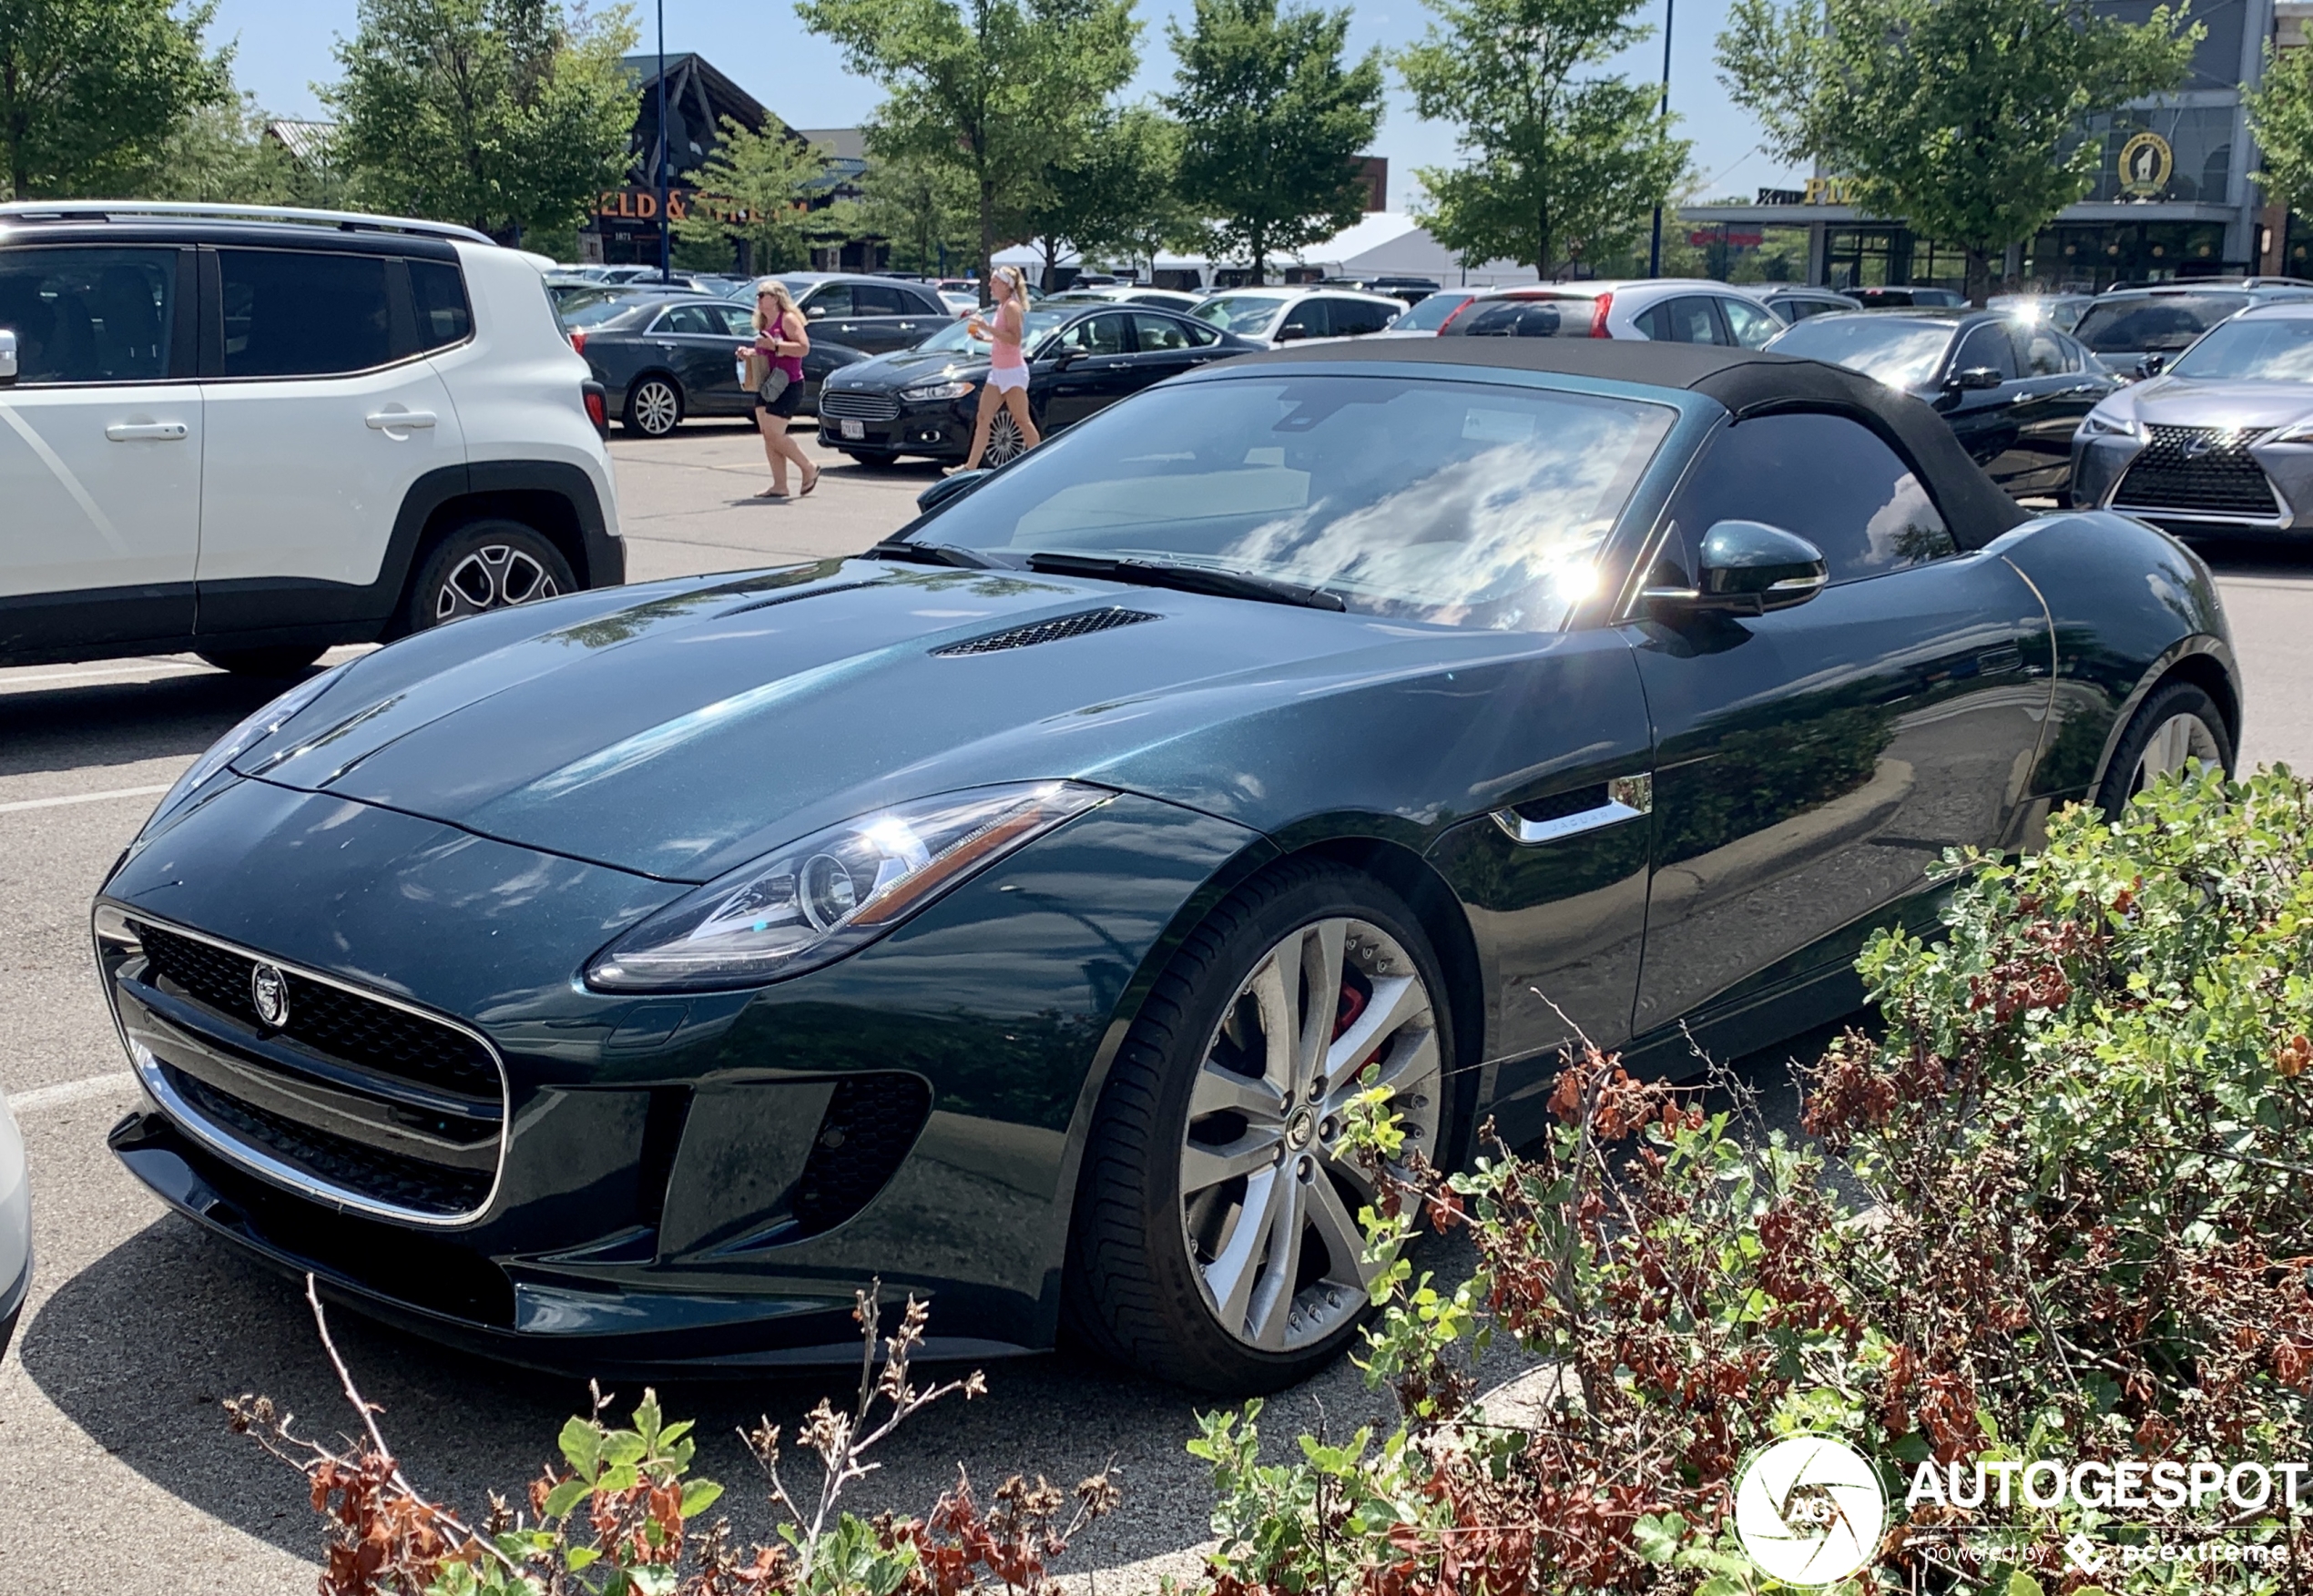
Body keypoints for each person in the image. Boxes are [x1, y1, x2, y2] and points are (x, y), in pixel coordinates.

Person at [960, 265, 1041, 470]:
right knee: (983, 416)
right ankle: (970, 466)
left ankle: (1040, 462)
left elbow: (1015, 340)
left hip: (1013, 372)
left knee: (1021, 419)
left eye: (995, 282)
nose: (990, 286)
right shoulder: (1002, 307)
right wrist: (984, 337)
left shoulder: (1012, 307)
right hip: (998, 372)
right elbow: (1001, 340)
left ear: (1006, 285)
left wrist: (988, 328)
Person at [746, 280, 819, 498]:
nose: (758, 299)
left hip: (788, 384)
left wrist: (776, 346)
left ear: (775, 298)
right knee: (768, 435)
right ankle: (780, 485)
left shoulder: (788, 319)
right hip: (767, 383)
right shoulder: (763, 322)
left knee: (775, 434)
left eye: (762, 295)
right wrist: (749, 354)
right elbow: (765, 353)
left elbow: (804, 348)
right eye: (757, 295)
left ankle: (808, 467)